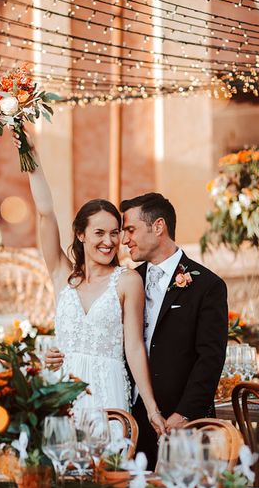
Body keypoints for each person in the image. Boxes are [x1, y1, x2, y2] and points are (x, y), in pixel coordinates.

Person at [21, 135, 165, 435]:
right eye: (99, 232)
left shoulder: (128, 281)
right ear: (81, 234)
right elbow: (45, 213)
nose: (109, 241)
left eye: (115, 233)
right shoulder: (63, 275)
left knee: (108, 471)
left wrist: (151, 408)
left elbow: (135, 348)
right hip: (62, 388)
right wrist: (31, 158)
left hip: (108, 390)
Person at [120, 192, 228, 468]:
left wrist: (185, 413)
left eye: (130, 229)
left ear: (158, 227)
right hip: (131, 418)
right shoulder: (127, 282)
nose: (124, 240)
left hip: (184, 424)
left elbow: (211, 358)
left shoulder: (208, 286)